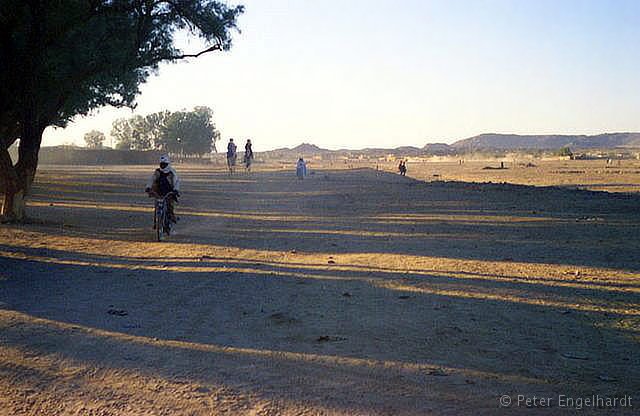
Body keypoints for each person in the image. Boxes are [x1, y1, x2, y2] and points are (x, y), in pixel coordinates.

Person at [145, 155, 180, 223]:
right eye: (161, 164)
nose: (163, 166)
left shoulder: (172, 172)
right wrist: (148, 187)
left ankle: (171, 217)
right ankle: (156, 220)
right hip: (158, 192)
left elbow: (177, 182)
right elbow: (151, 180)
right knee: (157, 205)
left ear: (168, 164)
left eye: (164, 164)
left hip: (169, 192)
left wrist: (176, 190)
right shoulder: (157, 172)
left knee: (170, 206)